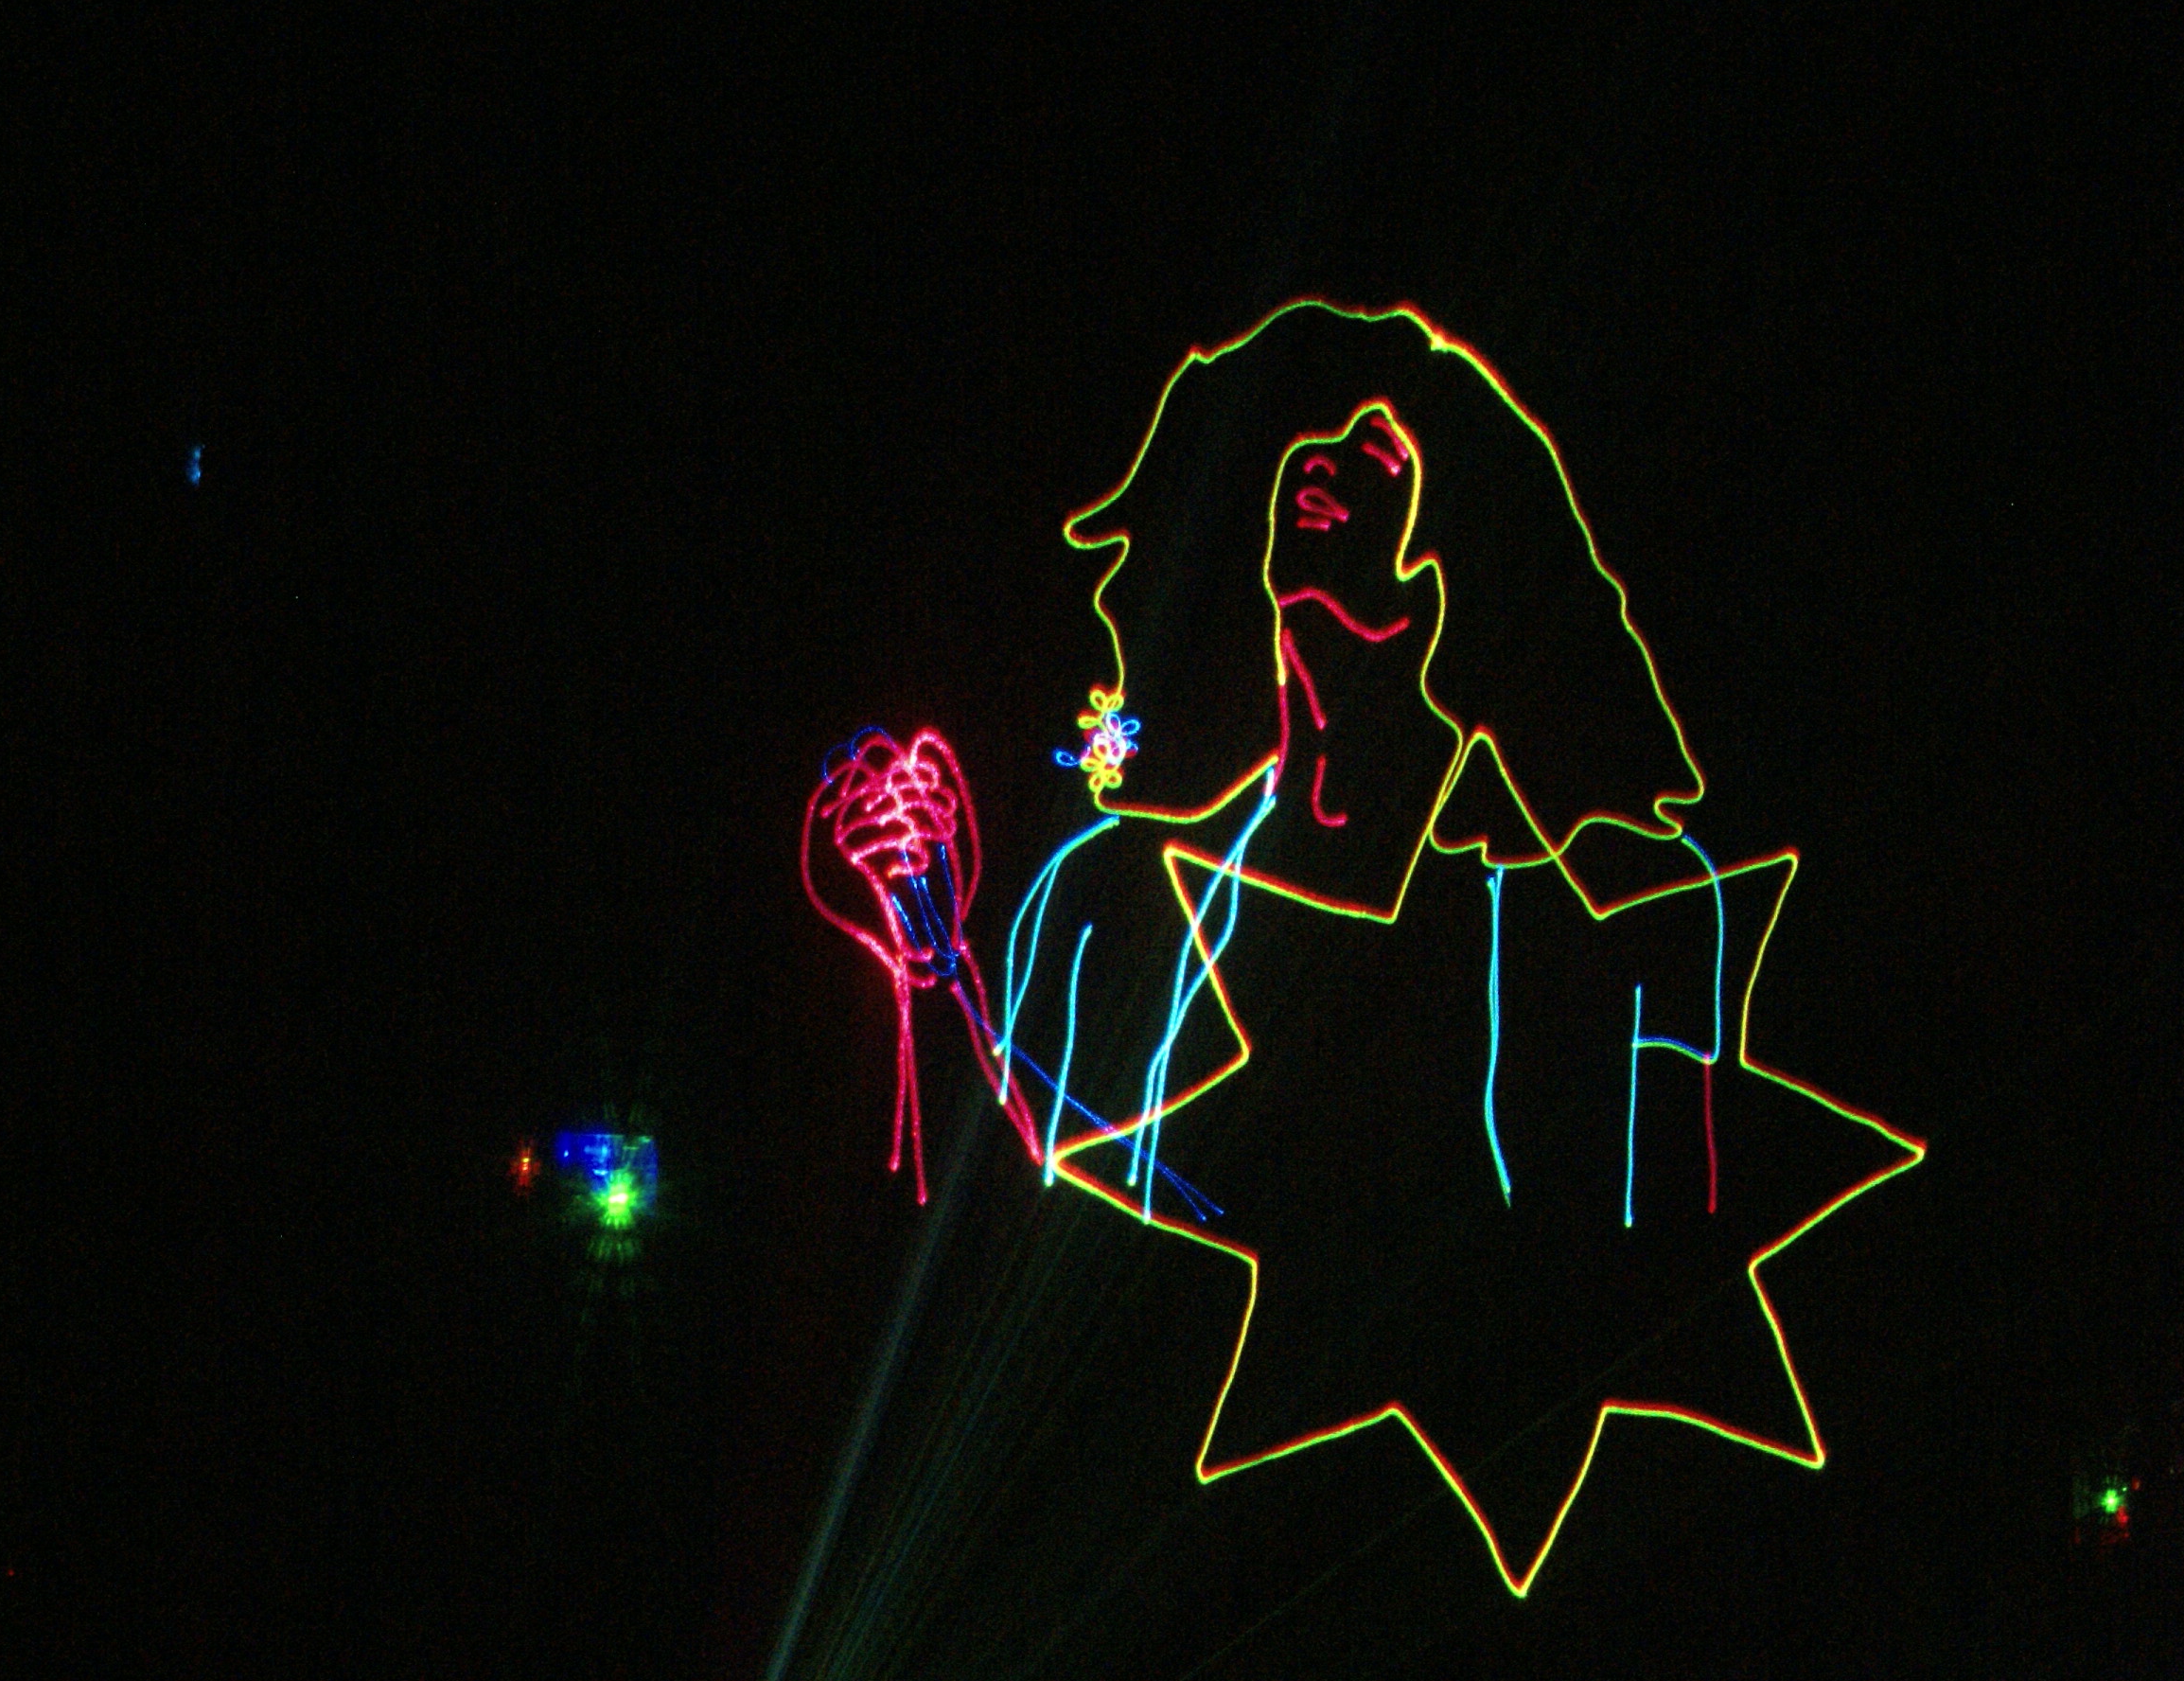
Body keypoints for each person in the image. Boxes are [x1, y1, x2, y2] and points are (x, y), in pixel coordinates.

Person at [819, 300, 1922, 1593]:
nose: (1324, 460)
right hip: (1213, 1562)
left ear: (1468, 537)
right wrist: (941, 962)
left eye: (1379, 445)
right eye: (1303, 438)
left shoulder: (1595, 896)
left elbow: (1656, 1227)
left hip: (1527, 1568)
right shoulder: (1111, 893)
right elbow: (1077, 1192)